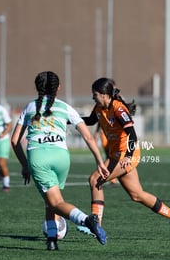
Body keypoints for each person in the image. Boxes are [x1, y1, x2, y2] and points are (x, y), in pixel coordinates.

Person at [11, 71, 110, 250]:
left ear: (37, 87)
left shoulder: (30, 107)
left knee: (55, 202)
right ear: (58, 88)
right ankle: (51, 240)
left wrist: (24, 164)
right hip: (61, 157)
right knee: (51, 200)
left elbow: (14, 140)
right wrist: (100, 162)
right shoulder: (65, 107)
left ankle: (87, 220)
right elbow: (88, 136)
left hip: (39, 157)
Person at [77, 77, 170, 237]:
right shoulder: (99, 109)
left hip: (127, 154)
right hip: (116, 155)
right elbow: (91, 120)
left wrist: (128, 156)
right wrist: (68, 120)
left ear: (105, 95)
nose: (93, 97)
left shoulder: (119, 109)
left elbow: (132, 135)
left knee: (95, 180)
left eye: (95, 94)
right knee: (137, 195)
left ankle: (96, 224)